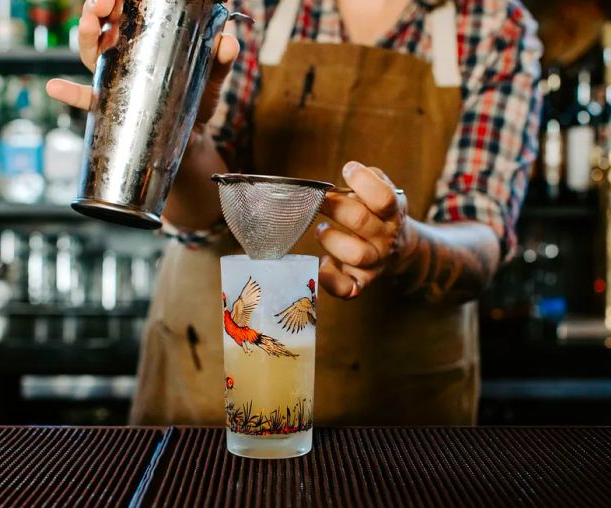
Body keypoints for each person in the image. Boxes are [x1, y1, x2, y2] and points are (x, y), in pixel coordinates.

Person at [47, 0, 542, 426]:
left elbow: (482, 241)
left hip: (398, 430)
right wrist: (181, 135)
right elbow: (202, 222)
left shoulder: (495, 24)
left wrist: (406, 244)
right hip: (208, 403)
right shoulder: (251, 7)